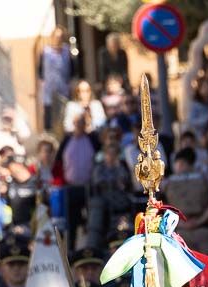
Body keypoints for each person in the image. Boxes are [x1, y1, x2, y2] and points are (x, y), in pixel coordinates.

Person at [162, 147, 208, 256]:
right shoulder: (207, 178)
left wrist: (179, 222)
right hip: (205, 231)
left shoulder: (166, 182)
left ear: (180, 163)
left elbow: (156, 204)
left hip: (178, 234)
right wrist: (200, 220)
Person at [55, 113, 99, 251]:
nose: (80, 126)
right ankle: (71, 250)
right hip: (71, 187)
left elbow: (99, 157)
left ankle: (88, 250)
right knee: (71, 222)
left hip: (88, 187)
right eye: (77, 123)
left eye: (82, 123)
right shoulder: (67, 140)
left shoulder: (92, 140)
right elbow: (58, 162)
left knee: (89, 221)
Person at [87, 142, 134, 250]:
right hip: (103, 198)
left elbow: (125, 182)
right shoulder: (99, 168)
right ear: (105, 155)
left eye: (114, 154)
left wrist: (117, 174)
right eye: (109, 154)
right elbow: (98, 183)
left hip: (119, 198)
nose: (111, 156)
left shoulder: (121, 167)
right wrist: (113, 183)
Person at [38, 26, 73, 132]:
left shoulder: (67, 51)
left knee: (63, 117)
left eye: (60, 37)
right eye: (56, 37)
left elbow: (73, 70)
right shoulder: (45, 52)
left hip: (63, 91)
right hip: (49, 91)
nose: (58, 39)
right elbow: (40, 71)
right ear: (52, 37)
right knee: (49, 119)